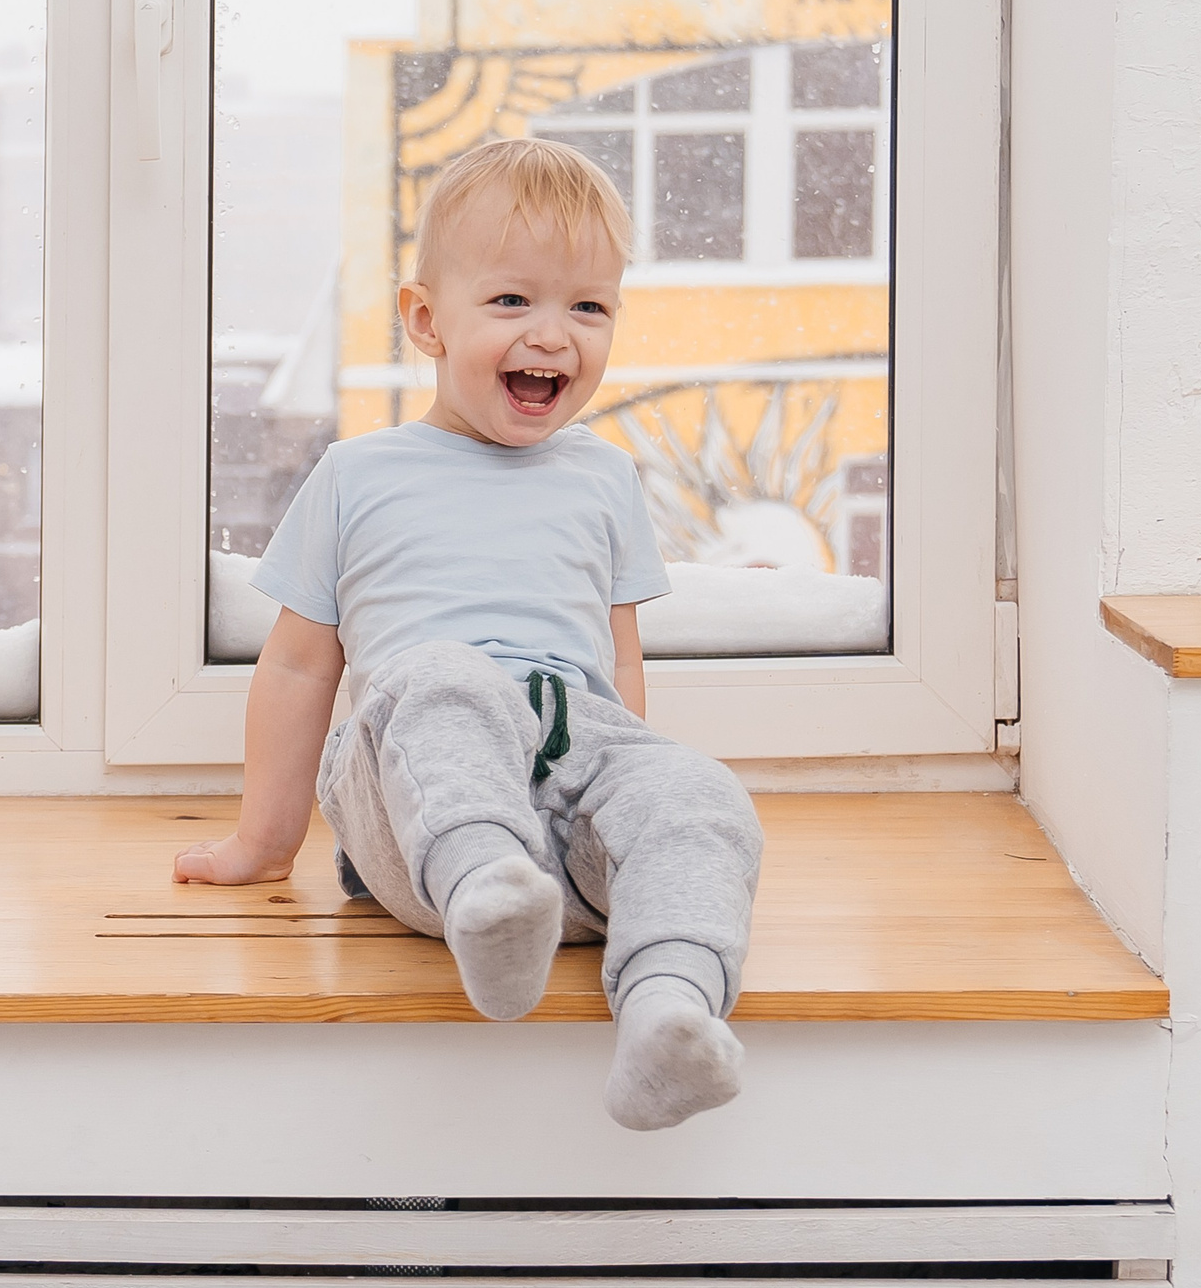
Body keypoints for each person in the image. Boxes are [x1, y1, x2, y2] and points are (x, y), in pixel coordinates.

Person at [173, 136, 763, 1131]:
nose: (554, 334)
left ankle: (670, 1010)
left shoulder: (605, 479)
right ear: (424, 321)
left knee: (698, 789)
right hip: (418, 825)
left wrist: (629, 787)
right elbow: (296, 668)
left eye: (587, 306)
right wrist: (264, 843)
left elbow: (617, 664)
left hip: (567, 825)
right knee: (443, 677)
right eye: (511, 302)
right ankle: (485, 888)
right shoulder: (358, 476)